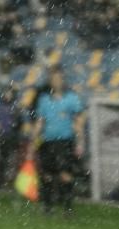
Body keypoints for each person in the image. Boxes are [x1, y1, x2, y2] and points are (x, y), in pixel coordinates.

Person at [27, 67, 85, 216]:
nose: (56, 81)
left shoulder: (71, 98)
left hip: (65, 142)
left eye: (59, 78)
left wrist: (80, 142)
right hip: (48, 142)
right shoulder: (44, 100)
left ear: (63, 80)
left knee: (65, 174)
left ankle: (68, 208)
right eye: (54, 79)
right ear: (50, 81)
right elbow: (40, 122)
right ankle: (47, 208)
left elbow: (78, 122)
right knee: (46, 175)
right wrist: (33, 142)